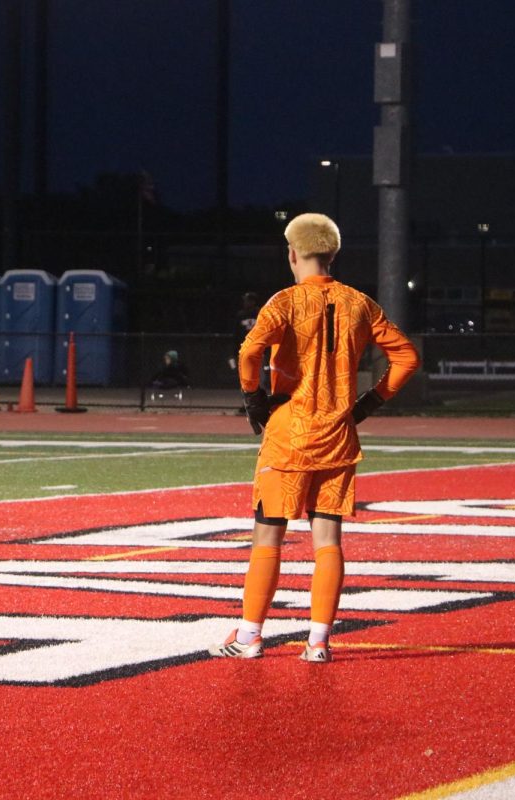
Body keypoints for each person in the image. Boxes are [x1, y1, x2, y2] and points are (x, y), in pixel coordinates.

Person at [210, 213, 420, 663]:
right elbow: (406, 358)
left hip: (289, 434)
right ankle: (319, 641)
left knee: (268, 537)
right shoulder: (360, 303)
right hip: (338, 435)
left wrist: (253, 398)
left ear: (292, 253)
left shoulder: (284, 301)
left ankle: (249, 635)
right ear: (333, 254)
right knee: (328, 541)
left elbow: (249, 350)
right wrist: (368, 404)